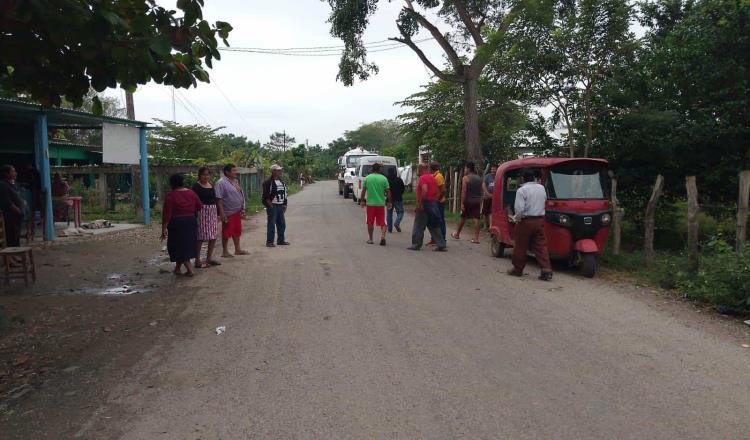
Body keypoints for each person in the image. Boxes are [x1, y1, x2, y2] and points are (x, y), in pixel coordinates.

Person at [508, 170, 553, 281]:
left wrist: (515, 219)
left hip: (525, 222)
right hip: (539, 221)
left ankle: (517, 269)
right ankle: (546, 269)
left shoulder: (521, 190)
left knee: (520, 246)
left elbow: (519, 209)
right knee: (541, 246)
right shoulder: (541, 188)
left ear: (523, 178)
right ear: (533, 178)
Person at [161, 174, 202, 277]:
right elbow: (199, 206)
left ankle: (189, 269)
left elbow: (167, 214)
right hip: (191, 221)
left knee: (178, 246)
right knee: (186, 245)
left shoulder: (171, 195)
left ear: (172, 183)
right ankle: (177, 269)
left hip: (177, 223)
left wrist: (164, 229)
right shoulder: (191, 193)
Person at [408, 163, 446, 251]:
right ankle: (441, 244)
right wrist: (435, 200)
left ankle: (416, 244)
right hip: (433, 204)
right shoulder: (432, 177)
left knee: (418, 226)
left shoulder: (422, 178)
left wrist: (421, 204)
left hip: (425, 204)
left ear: (420, 169)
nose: (417, 171)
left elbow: (424, 190)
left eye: (417, 169)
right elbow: (437, 191)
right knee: (434, 225)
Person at [215, 163, 248, 257]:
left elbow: (240, 194)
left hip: (237, 211)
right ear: (227, 172)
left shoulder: (235, 181)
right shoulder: (220, 183)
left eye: (235, 170)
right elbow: (219, 199)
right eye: (233, 170)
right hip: (228, 212)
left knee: (237, 230)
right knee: (226, 231)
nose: (235, 172)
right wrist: (221, 213)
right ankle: (224, 251)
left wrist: (242, 209)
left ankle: (237, 249)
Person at [192, 167, 220, 268]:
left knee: (213, 236)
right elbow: (193, 201)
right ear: (199, 175)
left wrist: (218, 213)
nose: (206, 176)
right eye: (203, 174)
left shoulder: (211, 185)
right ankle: (197, 260)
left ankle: (209, 258)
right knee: (200, 237)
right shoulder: (196, 187)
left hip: (212, 211)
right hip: (201, 212)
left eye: (207, 174)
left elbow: (215, 199)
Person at [359, 162, 391, 245]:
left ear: (372, 169)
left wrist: (362, 201)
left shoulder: (367, 178)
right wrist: (389, 202)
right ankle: (383, 236)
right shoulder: (384, 178)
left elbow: (363, 191)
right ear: (379, 169)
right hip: (381, 204)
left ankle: (371, 239)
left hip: (370, 204)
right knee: (383, 222)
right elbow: (388, 192)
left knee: (370, 222)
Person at [451, 161, 483, 244]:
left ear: (468, 168)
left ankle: (457, 234)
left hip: (468, 201)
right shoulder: (479, 178)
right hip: (477, 200)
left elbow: (464, 190)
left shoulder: (465, 178)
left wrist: (462, 203)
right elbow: (481, 190)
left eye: (465, 168)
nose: (465, 170)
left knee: (463, 217)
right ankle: (476, 238)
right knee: (476, 218)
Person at [262, 164, 290, 247]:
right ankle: (269, 242)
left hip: (280, 205)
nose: (280, 172)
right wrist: (270, 205)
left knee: (282, 224)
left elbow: (284, 193)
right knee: (271, 224)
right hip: (273, 205)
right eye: (278, 170)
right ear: (273, 171)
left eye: (280, 170)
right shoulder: (268, 182)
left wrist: (285, 204)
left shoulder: (281, 181)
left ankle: (281, 240)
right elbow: (265, 195)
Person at [0, 165, 25, 248]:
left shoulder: (13, 184)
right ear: (7, 174)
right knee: (10, 235)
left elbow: (17, 196)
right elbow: (8, 202)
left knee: (16, 235)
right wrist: (18, 210)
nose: (15, 173)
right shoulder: (3, 185)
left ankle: (15, 254)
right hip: (10, 215)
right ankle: (10, 256)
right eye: (13, 171)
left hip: (17, 215)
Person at [427, 161, 447, 245]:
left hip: (439, 202)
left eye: (429, 167)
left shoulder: (438, 176)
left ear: (432, 168)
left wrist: (438, 199)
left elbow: (443, 190)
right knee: (434, 220)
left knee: (440, 220)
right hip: (435, 201)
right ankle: (435, 238)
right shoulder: (434, 176)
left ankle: (442, 239)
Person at [386, 167, 405, 233]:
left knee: (389, 213)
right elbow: (403, 189)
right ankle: (397, 222)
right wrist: (400, 194)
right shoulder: (399, 179)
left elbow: (385, 190)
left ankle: (389, 229)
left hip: (389, 200)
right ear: (394, 172)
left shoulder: (387, 180)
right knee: (400, 212)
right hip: (398, 199)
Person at [482, 164, 498, 230]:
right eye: (491, 169)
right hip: (487, 197)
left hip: (495, 197)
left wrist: (495, 195)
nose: (492, 170)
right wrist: (487, 193)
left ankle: (491, 226)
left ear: (497, 169)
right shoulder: (487, 176)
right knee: (485, 212)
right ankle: (485, 225)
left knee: (492, 212)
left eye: (494, 169)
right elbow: (483, 185)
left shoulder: (499, 176)